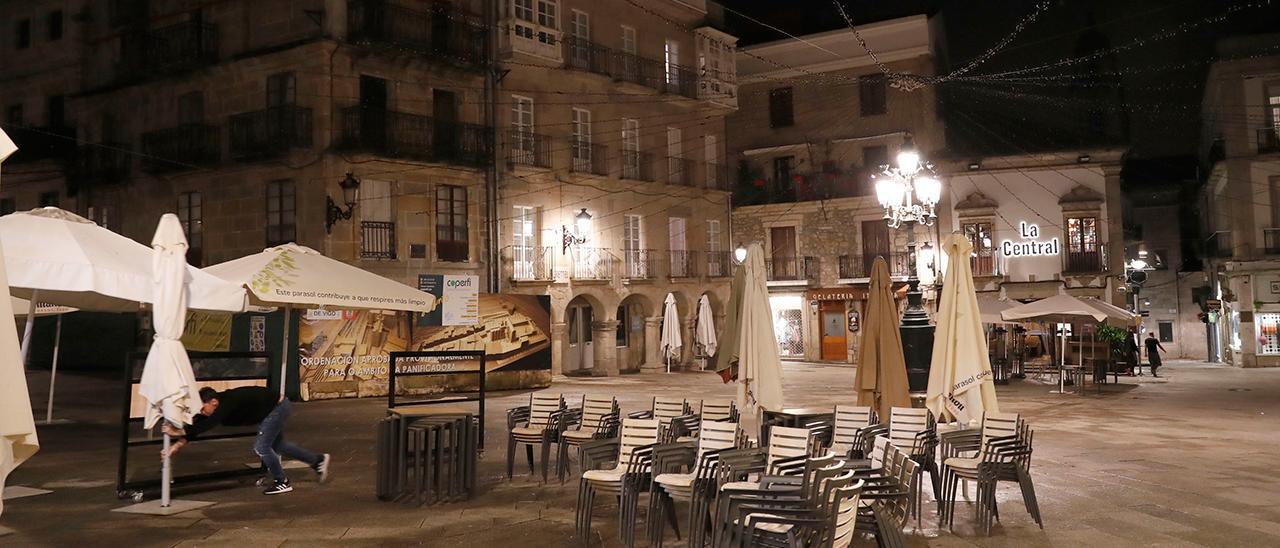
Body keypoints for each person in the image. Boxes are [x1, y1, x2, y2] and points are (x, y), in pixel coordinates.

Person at [163, 386, 330, 495]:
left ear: (213, 402)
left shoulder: (226, 403)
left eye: (203, 408)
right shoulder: (216, 406)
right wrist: (175, 446)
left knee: (261, 447)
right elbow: (199, 426)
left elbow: (207, 425)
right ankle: (317, 460)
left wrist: (177, 431)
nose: (202, 411)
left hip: (277, 408)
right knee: (279, 445)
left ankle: (282, 481)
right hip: (273, 409)